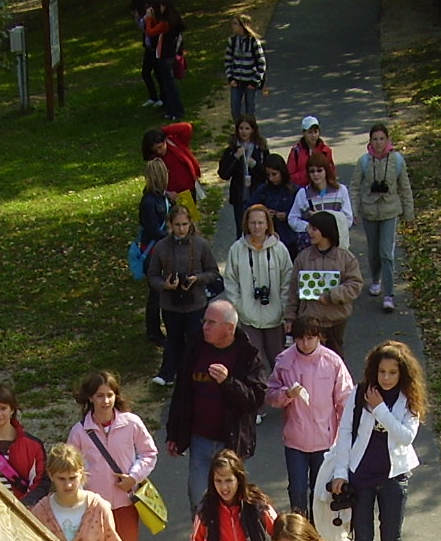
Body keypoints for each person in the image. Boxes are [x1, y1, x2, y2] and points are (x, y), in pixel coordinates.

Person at [328, 341, 428, 541]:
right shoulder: (360, 393)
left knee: (390, 534)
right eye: (382, 371)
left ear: (402, 373)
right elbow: (345, 432)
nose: (386, 378)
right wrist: (340, 471)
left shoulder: (408, 399)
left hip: (394, 475)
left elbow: (405, 437)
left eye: (392, 372)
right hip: (361, 475)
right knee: (362, 537)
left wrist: (380, 409)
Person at [165, 298, 268, 515]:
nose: (205, 327)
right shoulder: (195, 348)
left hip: (231, 444)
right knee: (199, 502)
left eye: (211, 322)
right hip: (199, 440)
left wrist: (228, 382)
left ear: (229, 328)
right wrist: (174, 433)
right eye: (204, 321)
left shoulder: (248, 355)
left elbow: (254, 400)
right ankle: (201, 538)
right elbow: (181, 392)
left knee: (231, 503)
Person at [68, 371, 158, 541]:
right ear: (90, 398)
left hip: (126, 503)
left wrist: (133, 477)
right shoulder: (79, 432)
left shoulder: (131, 423)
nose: (106, 401)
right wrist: (79, 499)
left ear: (116, 396)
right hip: (94, 508)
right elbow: (71, 468)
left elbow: (149, 453)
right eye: (100, 396)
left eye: (109, 395)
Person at [266, 316, 355, 518]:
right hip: (295, 440)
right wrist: (286, 394)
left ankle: (317, 529)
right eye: (300, 338)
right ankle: (299, 529)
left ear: (318, 337)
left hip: (325, 440)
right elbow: (270, 395)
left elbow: (346, 400)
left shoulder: (332, 362)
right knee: (297, 490)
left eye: (310, 338)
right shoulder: (284, 361)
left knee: (320, 492)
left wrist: (346, 436)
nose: (305, 343)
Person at [30, 444, 129, 541]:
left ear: (81, 473)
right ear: (51, 475)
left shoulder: (98, 507)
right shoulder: (41, 512)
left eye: (72, 478)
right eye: (61, 479)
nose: (68, 485)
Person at [147, 204, 218, 387]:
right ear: (170, 225)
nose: (181, 229)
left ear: (190, 223)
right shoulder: (161, 247)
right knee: (173, 339)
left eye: (184, 224)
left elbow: (213, 271)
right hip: (170, 303)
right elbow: (152, 275)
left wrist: (197, 278)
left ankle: (195, 373)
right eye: (177, 225)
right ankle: (169, 373)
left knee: (195, 339)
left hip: (195, 302)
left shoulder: (200, 245)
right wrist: (165, 285)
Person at [221, 202, 293, 377]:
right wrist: (239, 307)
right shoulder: (237, 249)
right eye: (253, 223)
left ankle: (281, 391)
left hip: (275, 316)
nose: (257, 227)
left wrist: (284, 308)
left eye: (261, 222)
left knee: (279, 361)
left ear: (268, 224)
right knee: (253, 362)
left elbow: (288, 280)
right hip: (249, 316)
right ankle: (258, 391)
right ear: (247, 224)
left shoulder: (279, 249)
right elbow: (230, 281)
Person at [354, 122, 416, 314]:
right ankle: (375, 280)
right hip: (370, 211)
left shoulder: (397, 160)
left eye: (382, 139)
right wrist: (354, 211)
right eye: (375, 139)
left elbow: (405, 187)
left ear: (388, 140)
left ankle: (389, 295)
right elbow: (354, 187)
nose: (378, 143)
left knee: (386, 253)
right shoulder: (364, 161)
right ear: (370, 141)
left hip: (390, 211)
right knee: (373, 252)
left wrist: (409, 214)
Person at [285, 211, 364, 357]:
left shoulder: (345, 258)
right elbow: (293, 290)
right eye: (309, 228)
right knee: (310, 359)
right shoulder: (303, 258)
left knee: (335, 357)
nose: (309, 232)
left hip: (336, 320)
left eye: (314, 229)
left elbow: (355, 285)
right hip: (310, 320)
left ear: (326, 231)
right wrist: (290, 317)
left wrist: (331, 296)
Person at [288, 154, 354, 250]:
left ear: (326, 170)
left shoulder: (340, 190)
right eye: (312, 171)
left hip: (336, 243)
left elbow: (348, 219)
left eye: (319, 170)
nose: (316, 174)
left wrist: (325, 221)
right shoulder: (303, 193)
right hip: (313, 246)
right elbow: (292, 218)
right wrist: (307, 227)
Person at [138, 159, 171, 345]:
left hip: (162, 249)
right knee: (156, 293)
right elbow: (153, 230)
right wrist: (171, 235)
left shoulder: (162, 197)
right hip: (153, 252)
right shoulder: (149, 202)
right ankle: (153, 331)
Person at [217, 116, 267, 239]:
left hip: (256, 193)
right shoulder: (231, 149)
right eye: (241, 128)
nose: (244, 132)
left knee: (257, 228)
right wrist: (235, 157)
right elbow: (224, 174)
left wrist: (254, 165)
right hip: (239, 195)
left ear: (253, 130)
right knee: (242, 229)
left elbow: (267, 174)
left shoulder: (260, 149)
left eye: (247, 128)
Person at [142, 123, 202, 216]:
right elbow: (155, 181)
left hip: (189, 190)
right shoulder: (155, 160)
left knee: (190, 218)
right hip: (172, 196)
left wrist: (163, 131)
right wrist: (167, 194)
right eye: (155, 150)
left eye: (160, 147)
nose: (159, 151)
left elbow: (186, 128)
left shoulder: (175, 143)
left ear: (165, 140)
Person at [144, 0, 187, 121]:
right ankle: (170, 110)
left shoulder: (165, 23)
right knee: (168, 84)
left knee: (169, 85)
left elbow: (150, 32)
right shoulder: (175, 21)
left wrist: (149, 19)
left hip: (164, 55)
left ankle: (177, 110)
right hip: (171, 54)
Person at [248, 153, 298, 250]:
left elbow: (303, 214)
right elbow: (248, 208)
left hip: (290, 239)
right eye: (268, 175)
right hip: (268, 239)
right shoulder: (263, 190)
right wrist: (264, 213)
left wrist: (287, 215)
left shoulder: (294, 190)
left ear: (282, 172)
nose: (271, 178)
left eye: (274, 174)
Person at [225, 14, 268, 121]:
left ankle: (251, 129)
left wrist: (255, 81)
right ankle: (238, 128)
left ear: (243, 26)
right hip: (236, 81)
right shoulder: (232, 41)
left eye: (235, 23)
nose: (233, 26)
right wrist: (230, 78)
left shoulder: (254, 42)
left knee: (250, 110)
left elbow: (262, 63)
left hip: (250, 82)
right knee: (235, 109)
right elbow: (228, 60)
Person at [286, 115, 334, 189]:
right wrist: (308, 175)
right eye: (310, 132)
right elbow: (290, 175)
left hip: (321, 189)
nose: (313, 135)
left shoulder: (326, 151)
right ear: (304, 133)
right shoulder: (296, 151)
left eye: (315, 132)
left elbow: (331, 173)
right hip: (302, 189)